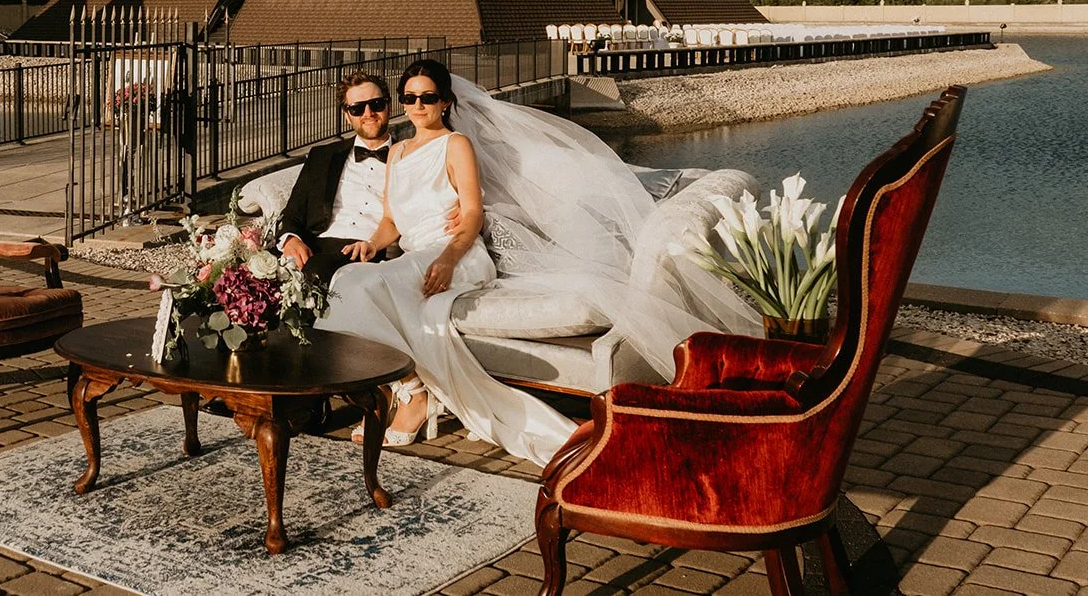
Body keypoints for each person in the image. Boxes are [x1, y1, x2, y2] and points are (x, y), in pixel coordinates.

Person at [316, 58, 757, 465]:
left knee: (359, 288)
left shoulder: (456, 144)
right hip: (417, 255)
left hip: (457, 255)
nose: (417, 106)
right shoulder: (396, 152)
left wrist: (450, 258)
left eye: (428, 97)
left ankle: (414, 397)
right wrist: (372, 245)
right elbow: (392, 219)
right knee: (347, 282)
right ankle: (414, 390)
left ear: (446, 101)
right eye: (410, 98)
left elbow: (472, 214)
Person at [276, 69, 397, 287]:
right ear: (347, 114)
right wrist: (291, 239)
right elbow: (294, 210)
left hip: (367, 249)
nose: (368, 113)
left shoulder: (408, 157)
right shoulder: (322, 156)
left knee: (315, 273)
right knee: (242, 271)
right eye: (357, 108)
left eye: (376, 104)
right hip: (317, 244)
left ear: (389, 105)